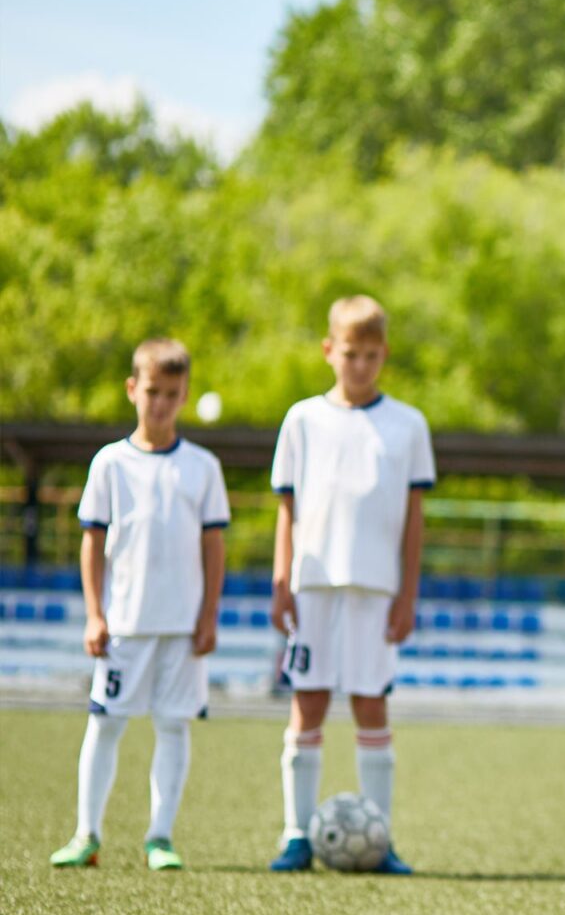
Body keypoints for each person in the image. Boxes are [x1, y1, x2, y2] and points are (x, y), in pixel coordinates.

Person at [267, 295, 435, 873]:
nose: (359, 364)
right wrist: (281, 577)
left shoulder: (408, 425)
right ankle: (295, 834)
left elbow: (414, 517)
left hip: (376, 589)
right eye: (349, 353)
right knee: (307, 702)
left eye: (370, 354)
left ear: (383, 354)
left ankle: (380, 838)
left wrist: (408, 592)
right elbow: (286, 507)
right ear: (328, 351)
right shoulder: (302, 420)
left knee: (370, 706)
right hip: (313, 584)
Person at [50, 339, 229, 871]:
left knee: (173, 725)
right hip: (124, 623)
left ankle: (160, 837)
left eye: (172, 394)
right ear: (133, 389)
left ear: (185, 396)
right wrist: (95, 612)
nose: (160, 403)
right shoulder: (111, 463)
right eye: (152, 391)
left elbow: (213, 545)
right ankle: (87, 835)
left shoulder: (202, 466)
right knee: (105, 724)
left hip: (182, 626)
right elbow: (92, 540)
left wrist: (208, 616)